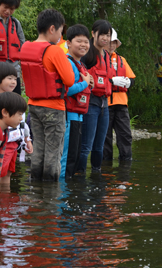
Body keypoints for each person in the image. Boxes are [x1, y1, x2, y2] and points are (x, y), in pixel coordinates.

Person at [20, 9, 74, 181]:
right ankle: (50, 198)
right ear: (52, 29)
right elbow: (70, 80)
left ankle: (36, 193)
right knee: (53, 152)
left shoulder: (26, 47)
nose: (60, 35)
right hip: (53, 108)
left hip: (34, 106)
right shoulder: (55, 51)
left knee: (39, 150)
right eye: (60, 31)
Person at [0, 62, 32, 187]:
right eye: (9, 78)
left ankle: (6, 198)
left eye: (15, 78)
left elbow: (21, 122)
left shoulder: (15, 98)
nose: (13, 82)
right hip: (3, 142)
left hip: (15, 142)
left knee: (8, 172)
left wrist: (27, 139)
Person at [77, 20, 113, 174]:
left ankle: (97, 175)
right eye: (102, 34)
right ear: (93, 34)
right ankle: (80, 178)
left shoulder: (106, 54)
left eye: (108, 35)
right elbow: (76, 71)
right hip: (90, 103)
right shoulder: (87, 53)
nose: (105, 38)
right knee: (86, 145)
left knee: (100, 145)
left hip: (104, 104)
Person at [62, 24, 92, 179]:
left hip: (79, 116)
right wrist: (85, 83)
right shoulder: (68, 62)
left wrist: (88, 85)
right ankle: (61, 193)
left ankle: (69, 193)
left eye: (86, 42)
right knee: (67, 157)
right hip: (69, 116)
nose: (83, 45)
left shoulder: (81, 64)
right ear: (68, 43)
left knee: (75, 157)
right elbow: (67, 90)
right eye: (79, 41)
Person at [104, 28, 136, 162]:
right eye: (109, 42)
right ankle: (105, 166)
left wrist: (129, 82)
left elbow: (132, 79)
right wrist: (111, 81)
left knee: (125, 135)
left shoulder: (122, 59)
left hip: (121, 103)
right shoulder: (98, 58)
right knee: (106, 137)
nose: (111, 45)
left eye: (114, 43)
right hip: (105, 103)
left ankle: (126, 162)